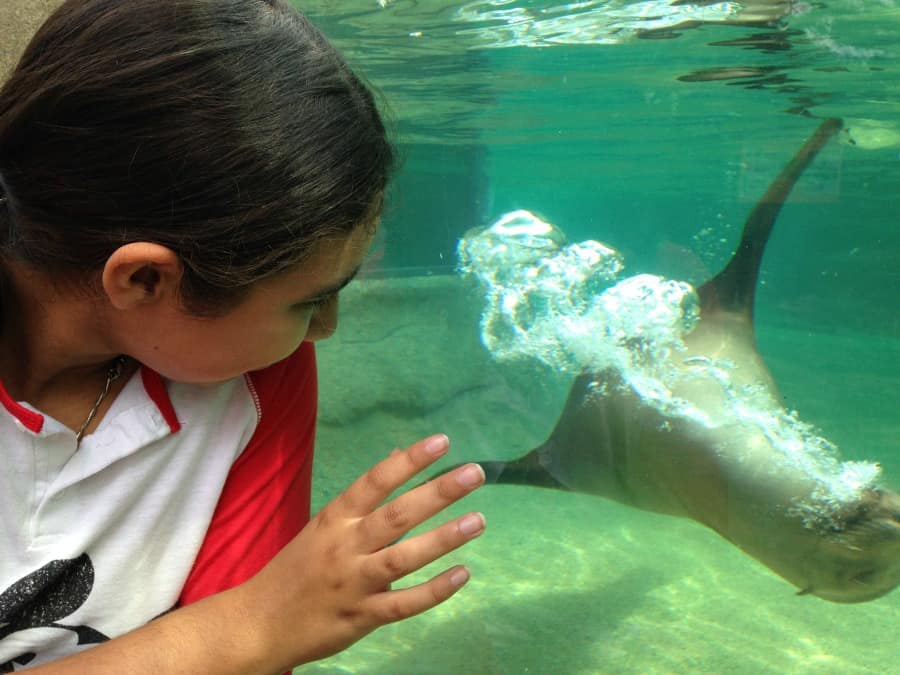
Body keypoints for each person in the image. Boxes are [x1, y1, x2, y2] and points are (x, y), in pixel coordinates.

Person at [0, 0, 486, 672]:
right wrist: (250, 624)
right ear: (143, 280)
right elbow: (254, 635)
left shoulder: (261, 377)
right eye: (310, 300)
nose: (326, 328)